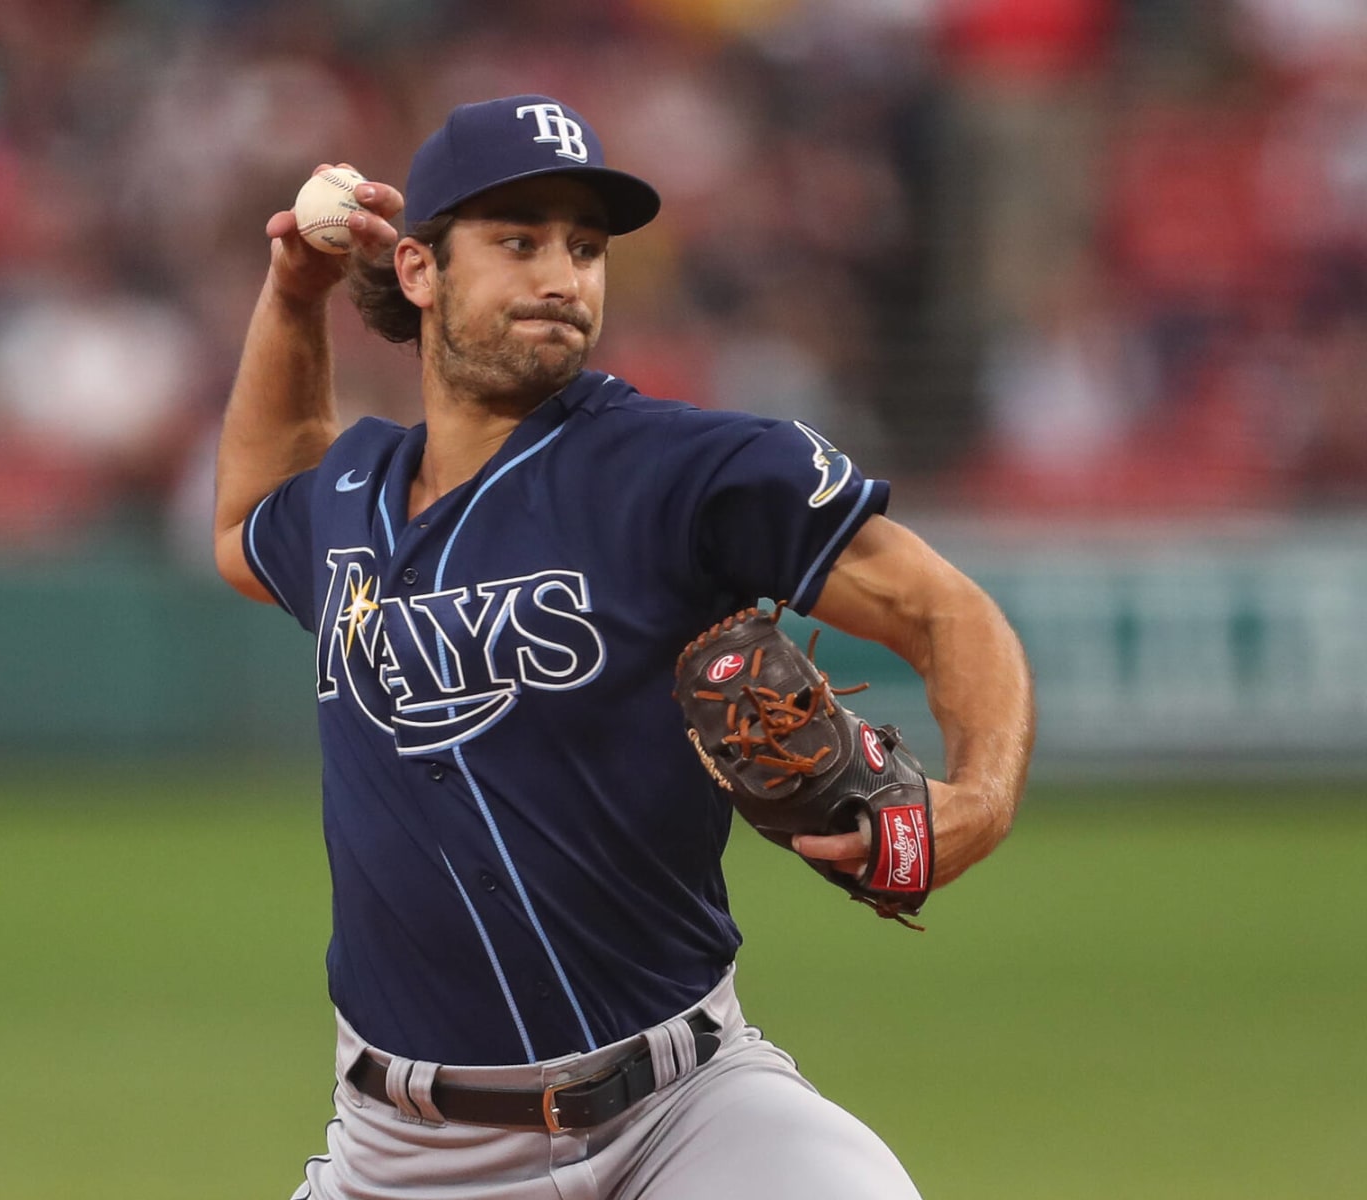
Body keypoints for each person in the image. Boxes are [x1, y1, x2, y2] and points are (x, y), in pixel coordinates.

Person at [214, 95, 1035, 1200]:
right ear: (417, 271)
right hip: (403, 1158)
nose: (561, 276)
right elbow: (250, 513)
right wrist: (295, 291)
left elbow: (943, 610)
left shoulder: (683, 468)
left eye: (585, 248)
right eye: (517, 242)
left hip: (684, 1114)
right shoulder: (352, 495)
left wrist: (977, 798)